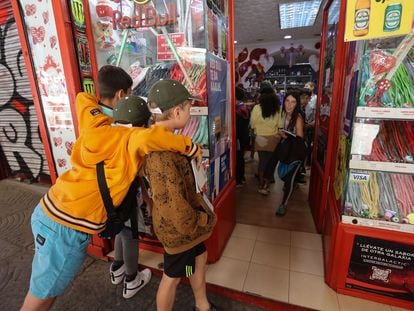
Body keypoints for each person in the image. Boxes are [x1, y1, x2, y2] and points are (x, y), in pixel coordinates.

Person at [21, 67, 201, 311]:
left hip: (51, 208)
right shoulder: (140, 143)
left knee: (48, 288)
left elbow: (82, 98)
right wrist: (199, 220)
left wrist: (109, 107)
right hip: (178, 232)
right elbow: (173, 198)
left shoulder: (95, 122)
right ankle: (198, 300)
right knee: (178, 272)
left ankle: (200, 300)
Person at [144, 79, 217, 311]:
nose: (189, 112)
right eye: (188, 108)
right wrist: (201, 220)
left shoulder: (170, 142)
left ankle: (201, 304)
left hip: (188, 228)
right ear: (177, 111)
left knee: (197, 259)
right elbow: (174, 206)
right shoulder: (162, 155)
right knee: (172, 276)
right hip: (181, 227)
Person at [108, 96, 153, 299]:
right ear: (143, 124)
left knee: (121, 230)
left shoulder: (112, 135)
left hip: (110, 197)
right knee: (130, 235)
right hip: (126, 199)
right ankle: (131, 279)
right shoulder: (135, 141)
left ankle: (117, 268)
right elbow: (139, 175)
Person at [275, 92, 305, 216]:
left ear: (296, 103)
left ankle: (283, 204)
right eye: (287, 101)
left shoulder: (297, 118)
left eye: (293, 102)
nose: (289, 104)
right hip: (286, 151)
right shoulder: (283, 115)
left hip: (296, 153)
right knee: (282, 175)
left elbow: (300, 138)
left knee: (289, 180)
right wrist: (281, 134)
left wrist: (286, 135)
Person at [250, 85, 283, 194]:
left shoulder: (256, 108)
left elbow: (252, 124)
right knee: (270, 163)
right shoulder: (278, 109)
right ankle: (266, 184)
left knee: (262, 161)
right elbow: (280, 125)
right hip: (273, 139)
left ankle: (260, 184)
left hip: (260, 138)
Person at [235, 87, 250, 187]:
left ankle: (239, 179)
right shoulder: (244, 107)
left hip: (239, 138)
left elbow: (237, 127)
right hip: (243, 137)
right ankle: (242, 177)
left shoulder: (238, 110)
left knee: (238, 158)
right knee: (240, 158)